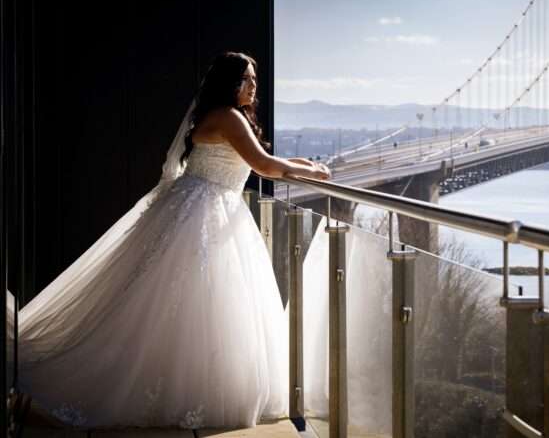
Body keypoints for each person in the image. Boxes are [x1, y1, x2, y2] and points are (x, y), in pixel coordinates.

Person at [17, 51, 330, 430]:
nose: (253, 86)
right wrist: (311, 169)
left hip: (199, 205)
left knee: (179, 305)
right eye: (246, 79)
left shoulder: (219, 115)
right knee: (201, 304)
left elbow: (259, 160)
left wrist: (305, 167)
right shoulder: (229, 118)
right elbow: (264, 165)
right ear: (229, 84)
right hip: (210, 211)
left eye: (254, 80)